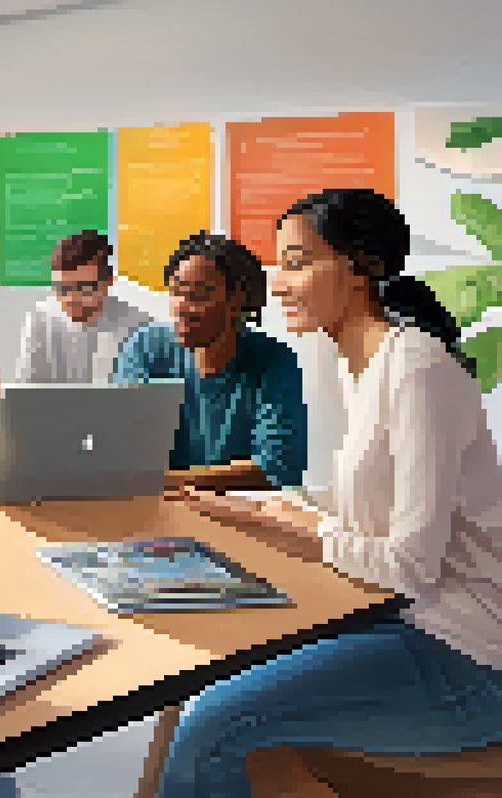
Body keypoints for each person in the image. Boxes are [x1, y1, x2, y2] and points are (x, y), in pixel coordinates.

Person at [153, 189, 502, 797]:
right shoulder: (359, 363)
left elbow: (408, 564)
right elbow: (362, 503)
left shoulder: (416, 371)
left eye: (297, 262)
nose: (277, 283)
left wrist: (296, 525)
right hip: (402, 621)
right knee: (194, 689)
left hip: (467, 659)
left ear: (360, 266)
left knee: (212, 723)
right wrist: (246, 508)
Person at [113, 233, 307, 491]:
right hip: (157, 510)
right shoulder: (146, 349)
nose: (182, 307)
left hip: (240, 516)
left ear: (238, 299)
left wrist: (161, 481)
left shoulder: (274, 361)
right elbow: (123, 447)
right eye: (176, 292)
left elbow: (277, 469)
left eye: (199, 295)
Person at [13, 230, 152, 384]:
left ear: (109, 281)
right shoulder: (39, 320)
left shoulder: (140, 327)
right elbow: (26, 393)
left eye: (84, 288)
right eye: (63, 289)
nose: (72, 299)